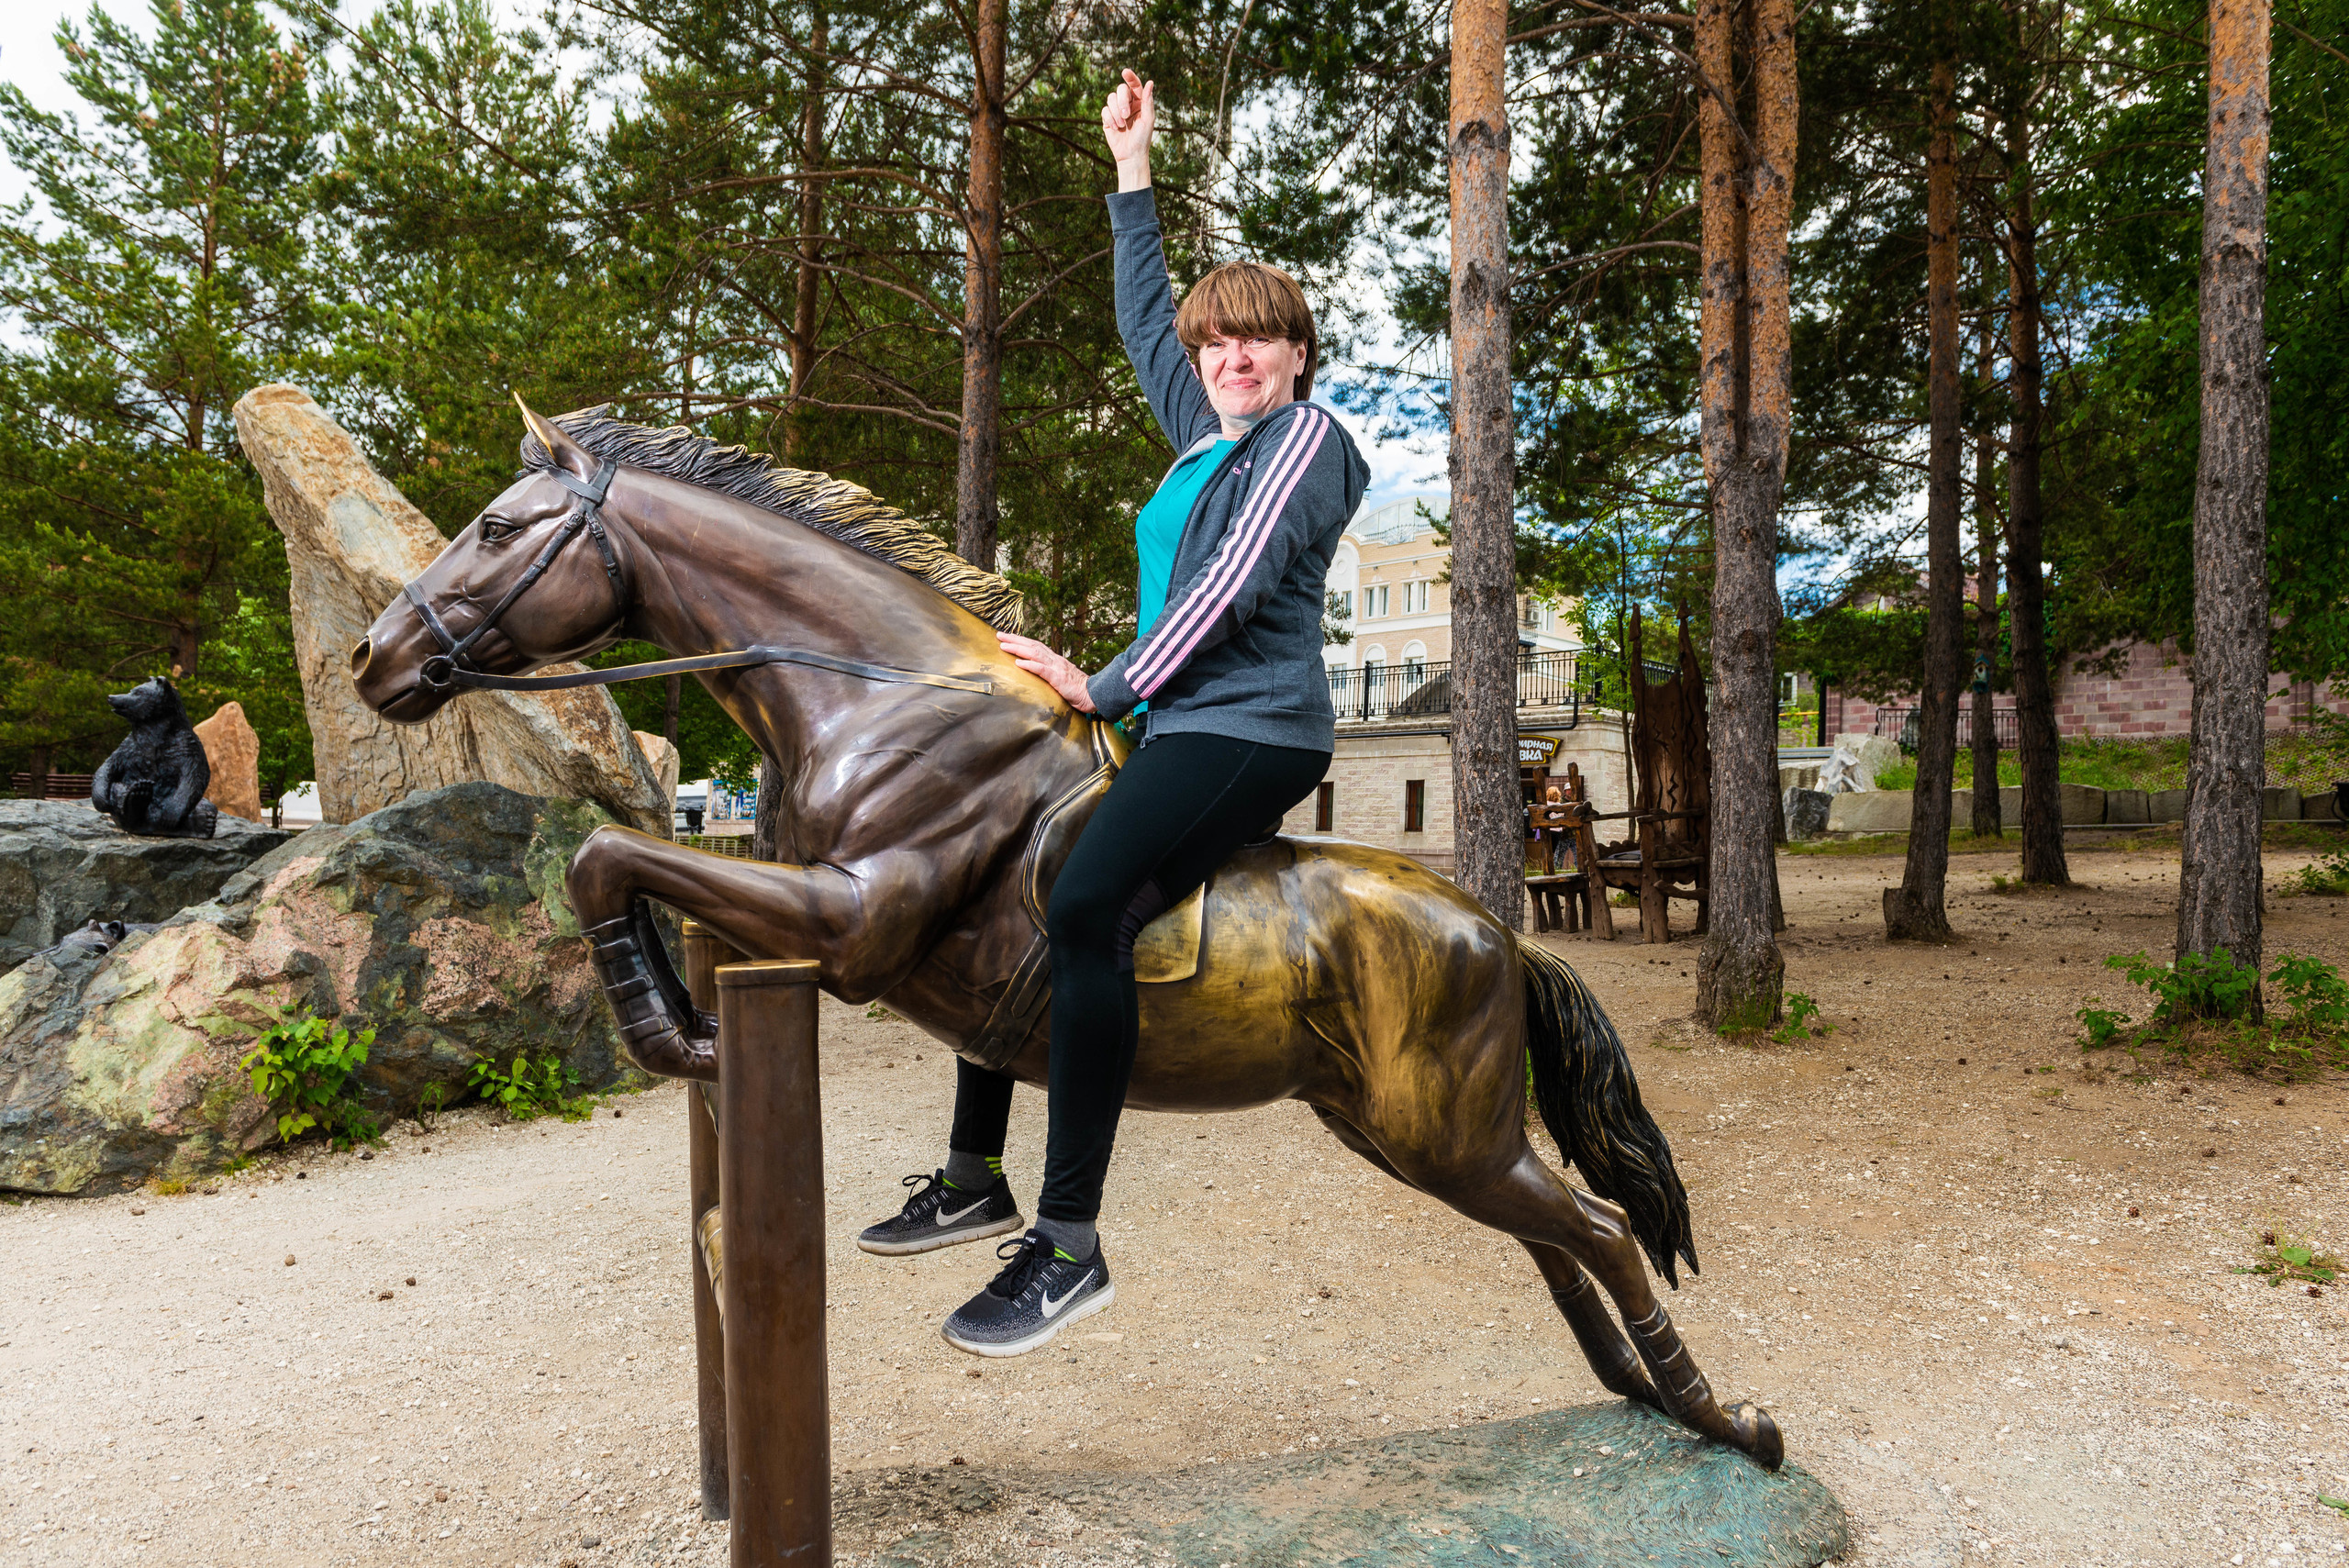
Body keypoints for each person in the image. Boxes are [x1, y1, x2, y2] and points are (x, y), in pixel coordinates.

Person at [854, 66, 1369, 1359]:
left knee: (1082, 900)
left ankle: (1070, 1244)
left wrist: (1109, 682)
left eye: (1254, 339)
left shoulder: (1305, 442)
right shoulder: (1208, 438)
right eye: (1215, 344)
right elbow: (1149, 318)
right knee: (1003, 881)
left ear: (1297, 354)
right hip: (1170, 720)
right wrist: (1132, 173)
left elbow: (1237, 580)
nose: (1228, 355)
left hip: (1245, 726)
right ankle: (977, 1173)